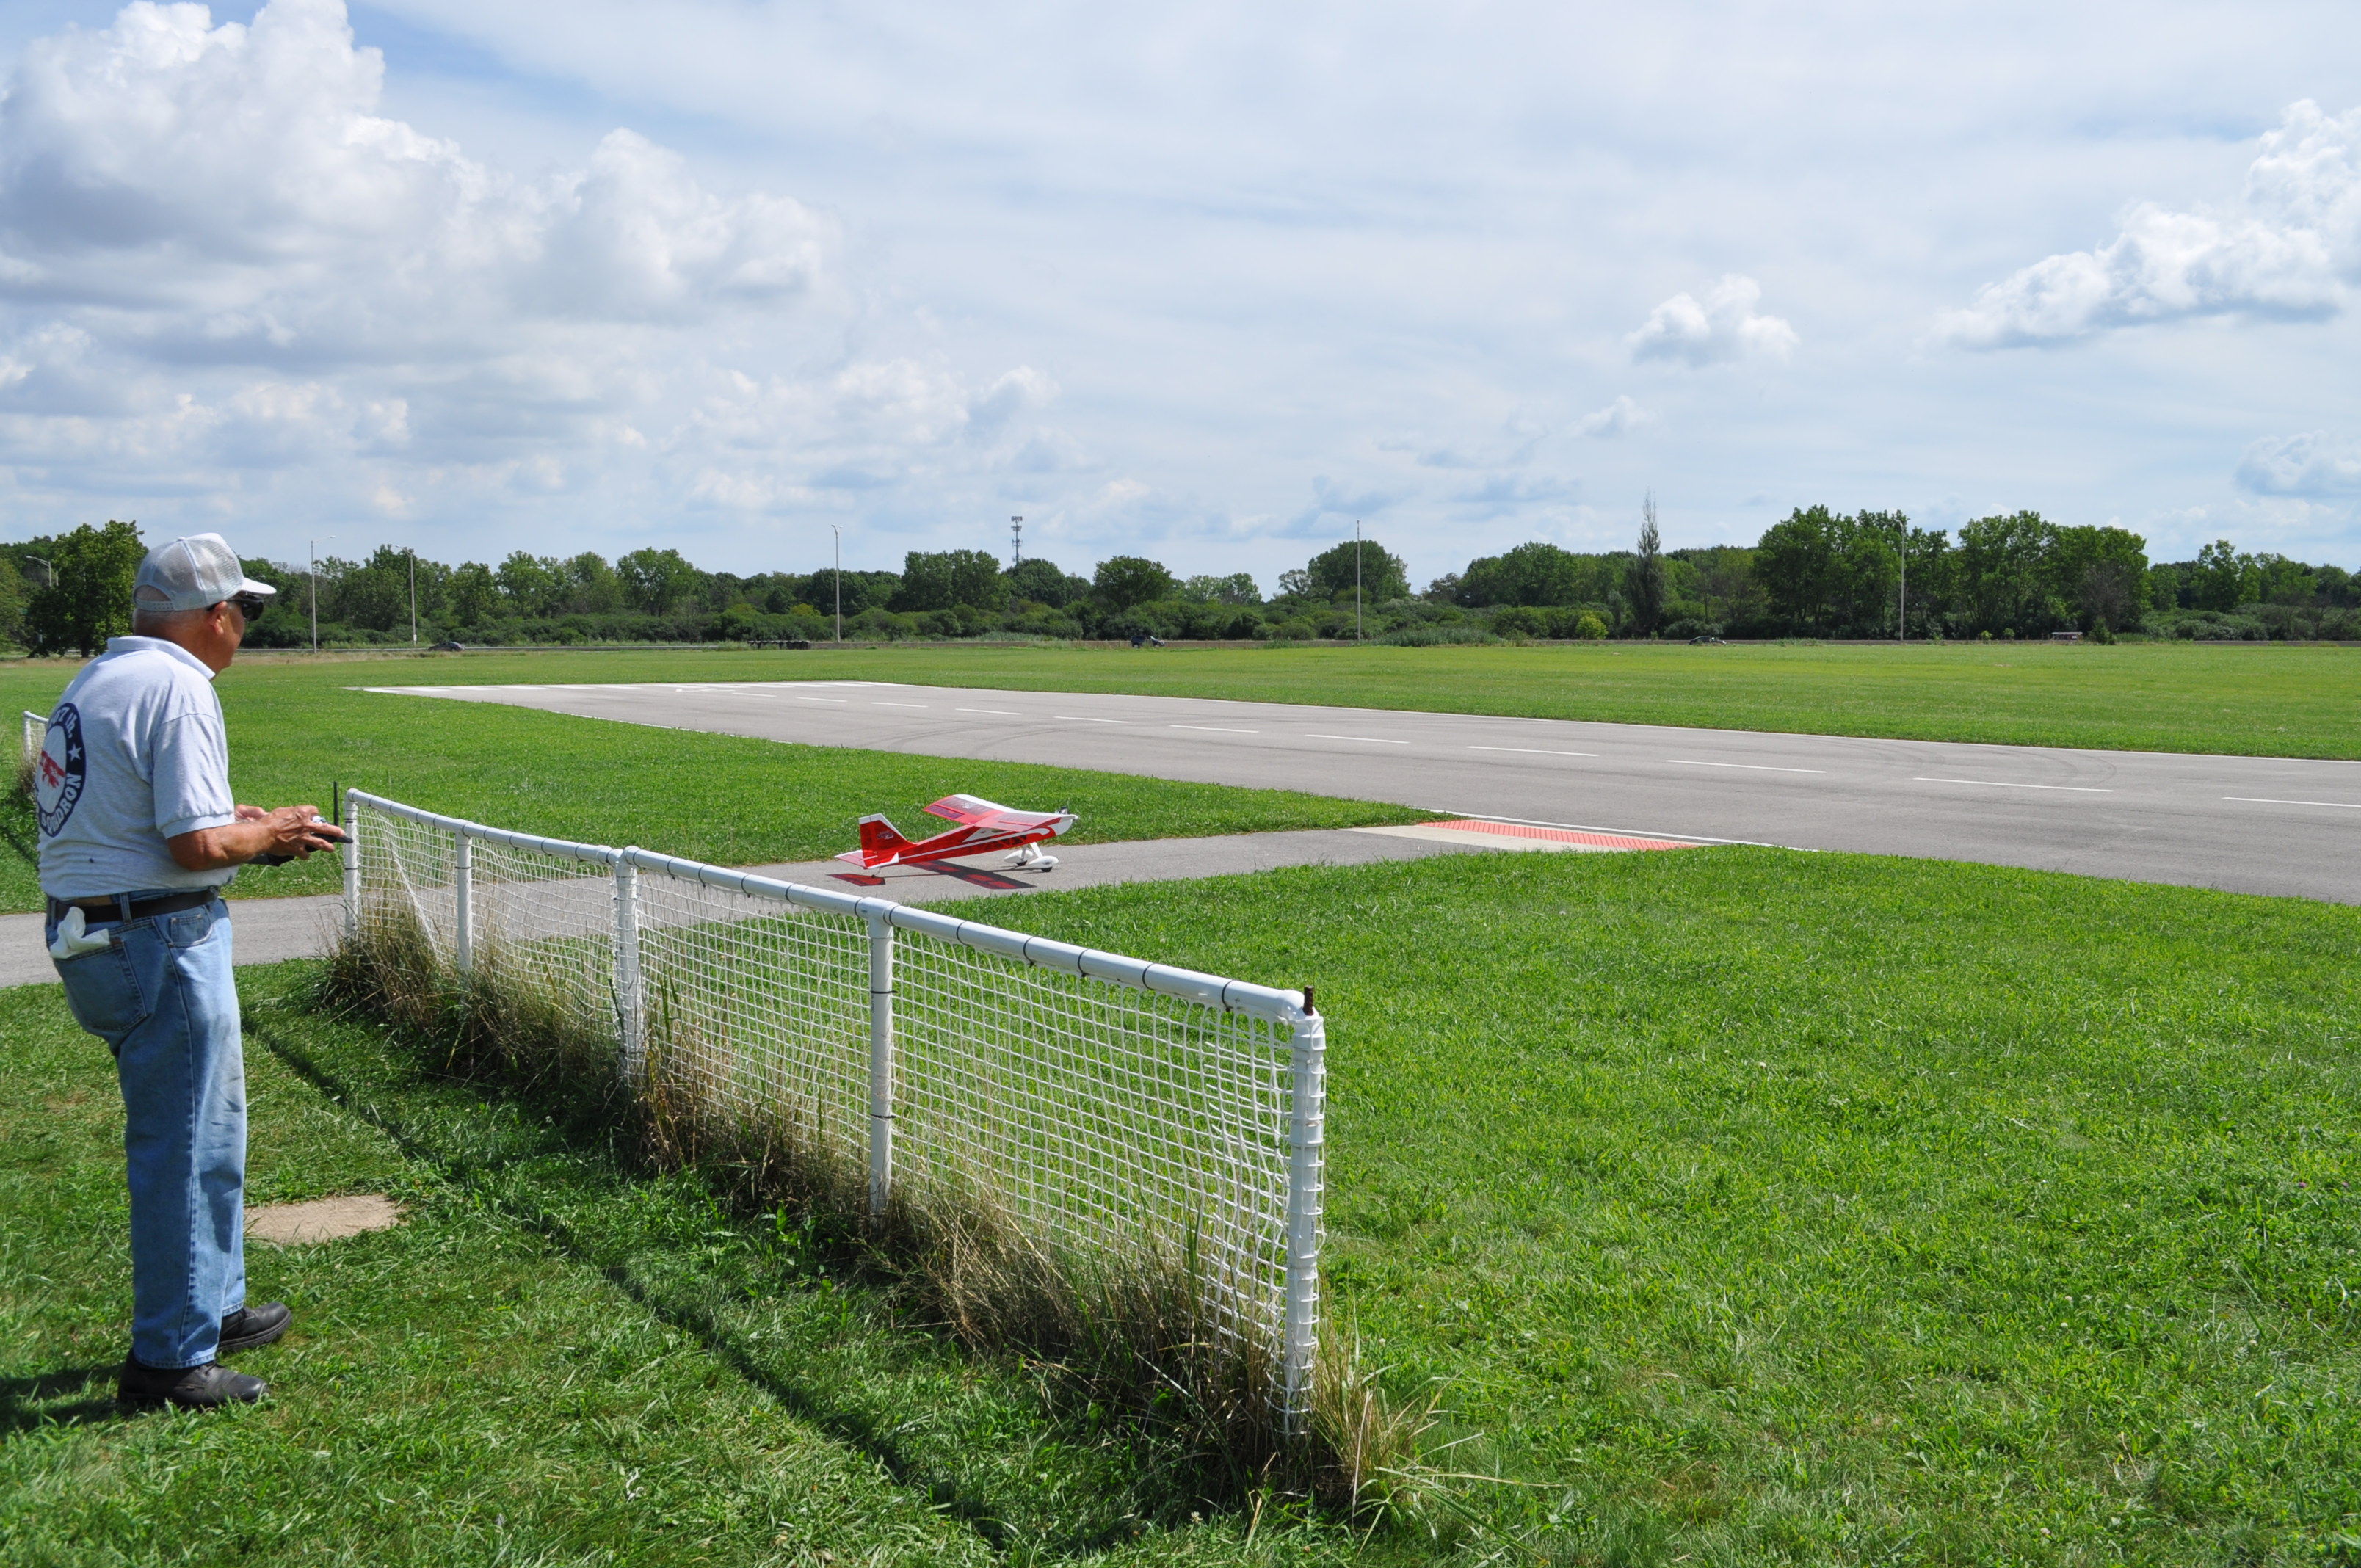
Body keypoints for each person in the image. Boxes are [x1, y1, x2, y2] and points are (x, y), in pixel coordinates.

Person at [37, 532, 347, 1410]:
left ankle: (214, 1304)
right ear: (214, 615)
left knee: (209, 1133)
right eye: (245, 612)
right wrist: (270, 836)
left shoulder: (101, 678)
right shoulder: (178, 686)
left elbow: (138, 817)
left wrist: (236, 823)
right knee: (182, 1145)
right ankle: (171, 1358)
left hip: (103, 932)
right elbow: (196, 845)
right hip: (157, 943)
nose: (245, 628)